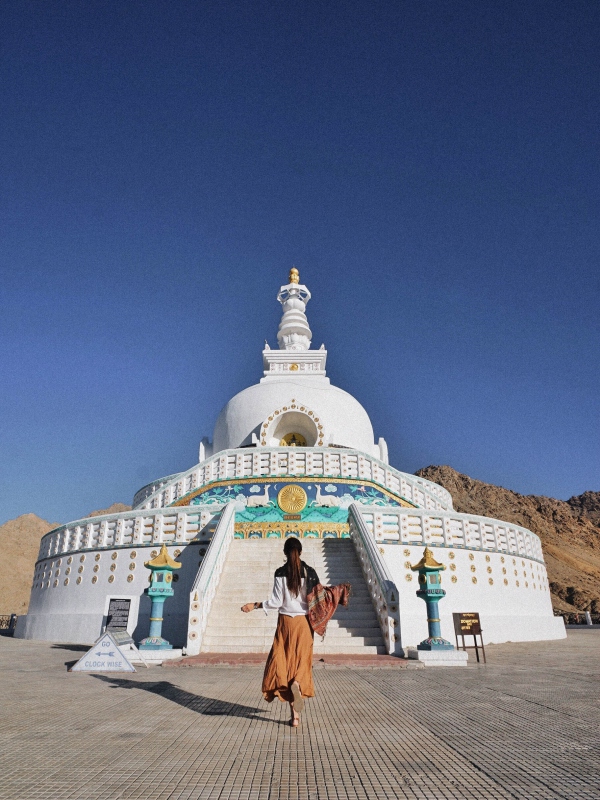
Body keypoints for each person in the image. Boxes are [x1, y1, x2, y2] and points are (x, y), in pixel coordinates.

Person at [241, 536, 319, 727]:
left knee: (284, 664)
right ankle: (298, 686)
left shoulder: (280, 572)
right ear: (300, 552)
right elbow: (318, 599)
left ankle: (295, 716)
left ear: (285, 553)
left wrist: (256, 605)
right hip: (304, 624)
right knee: (301, 663)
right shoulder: (309, 572)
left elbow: (275, 602)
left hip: (285, 623)